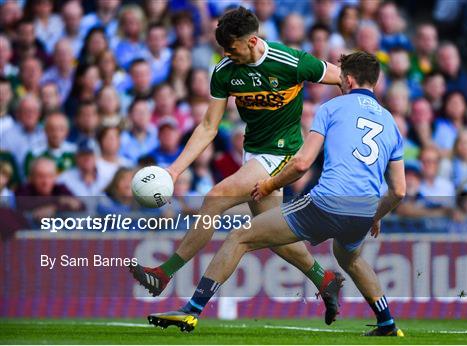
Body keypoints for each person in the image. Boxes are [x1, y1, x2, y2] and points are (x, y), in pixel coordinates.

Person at [147, 51, 405, 337]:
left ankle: (191, 310)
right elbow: (399, 190)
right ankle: (387, 323)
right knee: (350, 258)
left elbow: (302, 163)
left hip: (326, 204)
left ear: (350, 79)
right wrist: (375, 215)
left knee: (239, 237)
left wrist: (269, 185)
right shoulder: (392, 123)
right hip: (363, 209)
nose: (339, 82)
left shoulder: (332, 108)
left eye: (341, 77)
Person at [129, 6, 344, 324]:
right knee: (270, 236)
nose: (226, 54)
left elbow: (344, 79)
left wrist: (342, 128)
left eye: (232, 48)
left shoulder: (292, 61)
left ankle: (164, 273)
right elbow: (207, 126)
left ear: (253, 41)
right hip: (254, 153)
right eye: (222, 49)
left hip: (282, 154)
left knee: (215, 197)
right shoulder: (225, 71)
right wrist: (174, 170)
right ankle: (325, 280)